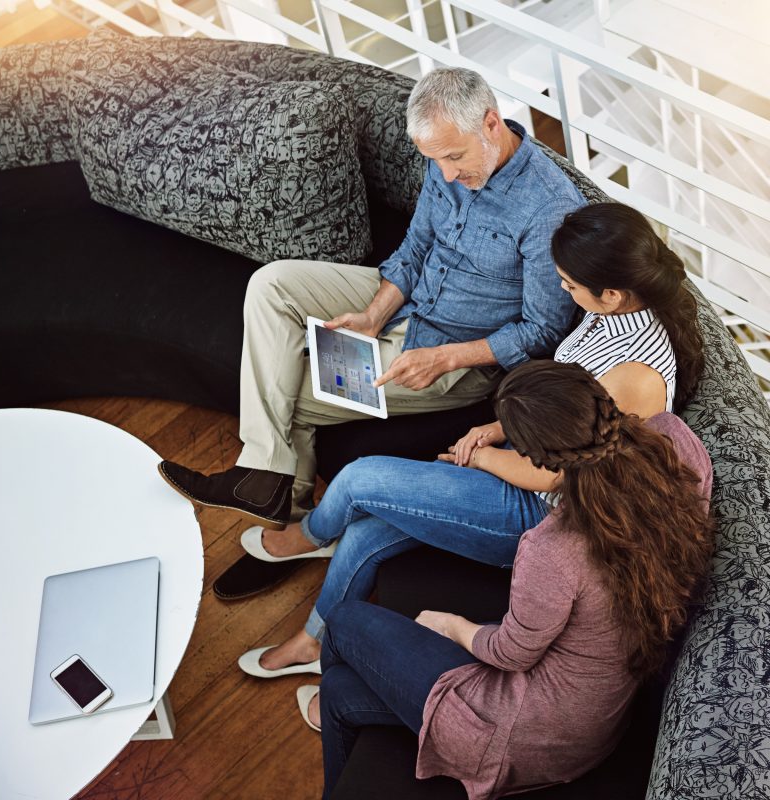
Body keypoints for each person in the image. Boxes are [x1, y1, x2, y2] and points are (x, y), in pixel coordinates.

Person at [235, 202, 705, 676]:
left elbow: (552, 475)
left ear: (612, 293)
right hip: (522, 456)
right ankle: (313, 642)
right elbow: (559, 406)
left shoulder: (635, 377)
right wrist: (493, 429)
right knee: (364, 533)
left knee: (359, 480)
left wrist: (481, 459)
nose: (563, 290)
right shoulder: (607, 315)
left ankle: (311, 534)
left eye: (570, 285)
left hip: (544, 511)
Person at [157, 66, 583, 545]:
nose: (445, 173)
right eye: (435, 160)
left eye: (453, 157)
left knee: (289, 394)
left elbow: (541, 330)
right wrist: (372, 316)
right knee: (272, 283)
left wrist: (445, 358)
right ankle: (267, 484)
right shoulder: (447, 159)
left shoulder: (549, 210)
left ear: (490, 123)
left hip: (456, 355)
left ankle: (287, 519)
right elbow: (416, 247)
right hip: (403, 302)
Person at [302, 361, 715, 799]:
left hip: (523, 736)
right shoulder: (677, 443)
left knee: (345, 620)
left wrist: (452, 626)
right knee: (340, 694)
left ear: (540, 460)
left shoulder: (554, 547)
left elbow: (512, 653)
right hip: (599, 719)